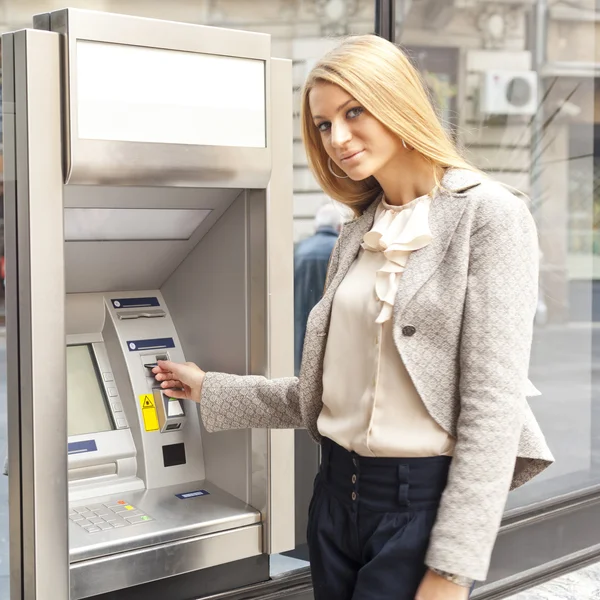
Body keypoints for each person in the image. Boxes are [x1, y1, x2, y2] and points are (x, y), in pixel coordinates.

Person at [153, 35, 554, 600]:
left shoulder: (490, 215)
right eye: (323, 125)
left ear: (397, 102)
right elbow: (324, 397)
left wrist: (452, 568)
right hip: (336, 498)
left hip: (419, 510)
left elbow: (492, 408)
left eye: (353, 111)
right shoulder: (358, 230)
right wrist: (209, 389)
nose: (338, 138)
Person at [294, 203, 342, 374]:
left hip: (300, 323)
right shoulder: (340, 249)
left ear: (316, 225)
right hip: (329, 326)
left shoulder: (300, 249)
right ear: (339, 226)